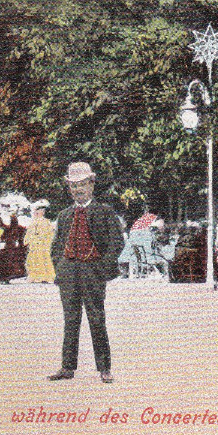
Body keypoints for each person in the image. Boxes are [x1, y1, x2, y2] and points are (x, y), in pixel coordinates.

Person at [48, 162, 124, 384]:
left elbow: (116, 242)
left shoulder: (104, 211)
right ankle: (67, 367)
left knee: (96, 318)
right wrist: (60, 265)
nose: (78, 190)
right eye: (73, 186)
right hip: (69, 272)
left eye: (82, 185)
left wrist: (102, 267)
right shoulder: (64, 215)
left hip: (93, 271)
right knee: (70, 320)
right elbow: (56, 246)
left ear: (92, 185)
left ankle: (104, 368)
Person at [0, 205, 27, 284]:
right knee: (4, 259)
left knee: (10, 259)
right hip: (5, 241)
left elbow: (15, 228)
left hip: (11, 241)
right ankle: (2, 277)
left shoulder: (13, 218)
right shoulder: (0, 217)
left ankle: (7, 277)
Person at [24, 200, 56, 283]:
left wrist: (47, 241)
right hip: (35, 244)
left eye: (41, 211)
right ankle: (34, 276)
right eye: (37, 211)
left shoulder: (46, 222)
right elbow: (29, 232)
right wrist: (28, 240)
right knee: (33, 260)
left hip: (43, 244)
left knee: (44, 260)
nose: (37, 213)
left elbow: (50, 234)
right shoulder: (33, 222)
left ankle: (46, 277)